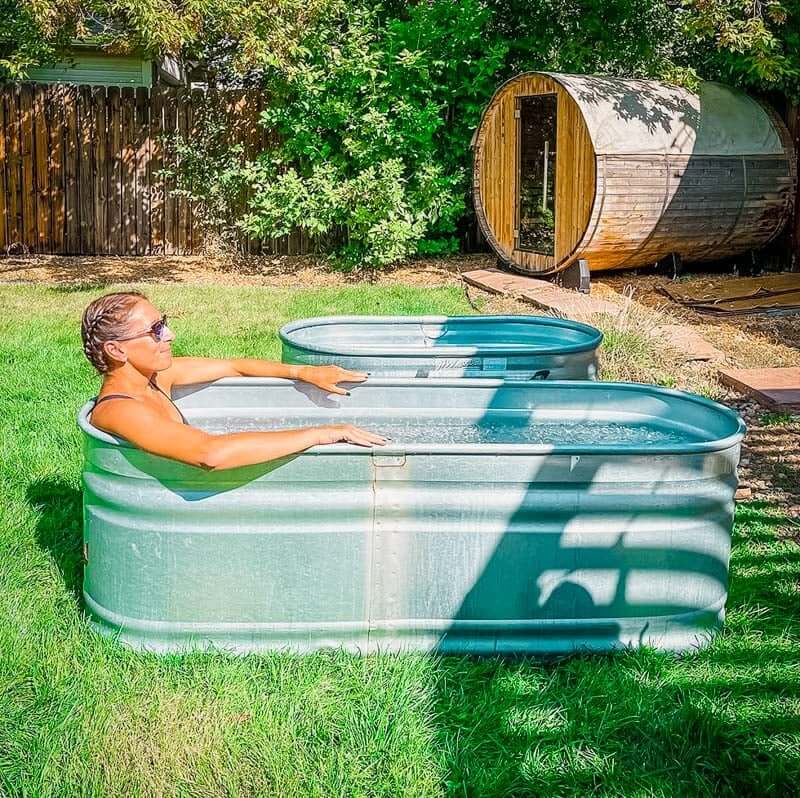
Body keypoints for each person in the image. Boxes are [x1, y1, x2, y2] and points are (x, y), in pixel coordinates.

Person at [81, 290, 386, 470]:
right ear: (116, 349)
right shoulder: (120, 411)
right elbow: (209, 454)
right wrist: (322, 434)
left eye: (165, 324)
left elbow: (235, 366)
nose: (169, 335)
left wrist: (304, 372)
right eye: (155, 330)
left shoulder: (158, 377)